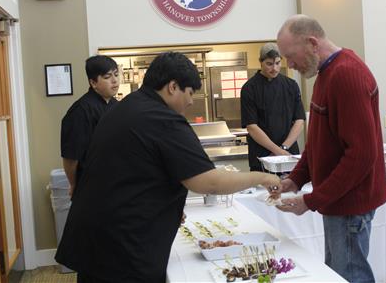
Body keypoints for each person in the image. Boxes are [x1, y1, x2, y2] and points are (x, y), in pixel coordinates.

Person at [55, 52, 281, 283]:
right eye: (190, 93)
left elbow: (135, 172)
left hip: (97, 237)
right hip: (120, 246)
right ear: (173, 87)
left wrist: (166, 207)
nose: (191, 101)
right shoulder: (161, 118)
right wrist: (262, 178)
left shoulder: (129, 105)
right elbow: (208, 182)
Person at [273, 14, 386, 283]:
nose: (289, 65)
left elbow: (361, 155)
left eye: (290, 56)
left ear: (313, 43)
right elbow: (318, 142)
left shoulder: (346, 75)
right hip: (338, 201)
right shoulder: (326, 73)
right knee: (337, 272)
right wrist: (295, 179)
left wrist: (311, 200)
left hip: (350, 203)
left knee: (349, 275)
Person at [241, 42, 305, 172]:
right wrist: (276, 151)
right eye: (269, 64)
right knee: (264, 192)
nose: (274, 68)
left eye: (277, 63)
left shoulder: (291, 85)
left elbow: (299, 120)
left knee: (292, 191)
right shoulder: (249, 88)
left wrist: (284, 149)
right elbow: (252, 127)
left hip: (288, 155)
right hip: (262, 156)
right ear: (261, 62)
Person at [61, 55, 119, 196]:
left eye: (116, 75)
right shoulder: (80, 111)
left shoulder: (116, 106)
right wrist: (74, 184)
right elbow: (70, 157)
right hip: (91, 185)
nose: (115, 80)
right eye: (107, 77)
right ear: (93, 83)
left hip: (116, 181)